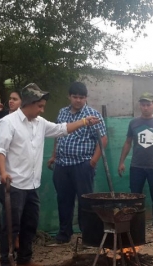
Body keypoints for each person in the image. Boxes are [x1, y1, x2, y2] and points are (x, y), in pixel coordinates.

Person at [0, 83, 101, 266]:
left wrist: (84, 121)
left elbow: (61, 129)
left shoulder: (39, 123)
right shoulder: (8, 123)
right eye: (40, 106)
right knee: (11, 226)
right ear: (29, 104)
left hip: (31, 183)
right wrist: (2, 172)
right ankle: (5, 264)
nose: (42, 110)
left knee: (30, 224)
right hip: (13, 183)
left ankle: (24, 261)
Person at [47, 81, 107, 245]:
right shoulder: (62, 113)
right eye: (75, 97)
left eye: (81, 97)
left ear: (86, 98)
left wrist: (93, 161)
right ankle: (64, 235)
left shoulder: (92, 115)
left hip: (82, 164)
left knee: (85, 201)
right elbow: (58, 134)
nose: (78, 100)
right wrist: (53, 156)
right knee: (63, 200)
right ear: (69, 97)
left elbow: (103, 139)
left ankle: (88, 236)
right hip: (62, 164)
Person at [117, 92, 153, 240]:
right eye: (143, 104)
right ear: (140, 106)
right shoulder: (133, 123)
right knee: (134, 198)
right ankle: (134, 228)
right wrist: (122, 161)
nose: (145, 107)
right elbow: (128, 142)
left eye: (148, 104)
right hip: (136, 167)